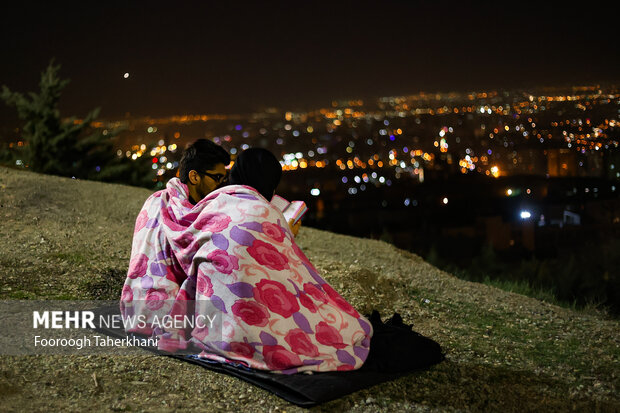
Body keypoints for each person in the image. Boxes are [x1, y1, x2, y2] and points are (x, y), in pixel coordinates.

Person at [121, 146, 373, 374]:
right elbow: (291, 274)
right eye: (217, 177)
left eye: (224, 178)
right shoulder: (253, 209)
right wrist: (284, 232)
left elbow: (192, 252)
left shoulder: (187, 206)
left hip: (142, 307)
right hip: (223, 325)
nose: (220, 183)